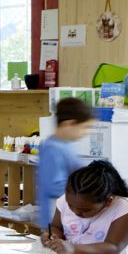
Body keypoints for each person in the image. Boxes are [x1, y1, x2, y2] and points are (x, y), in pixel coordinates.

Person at [42, 160, 128, 254]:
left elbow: (113, 247)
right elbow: (56, 226)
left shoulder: (125, 210)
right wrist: (52, 236)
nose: (75, 212)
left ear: (108, 201)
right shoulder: (66, 200)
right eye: (70, 206)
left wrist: (74, 249)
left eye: (85, 210)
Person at [36, 98, 95, 231]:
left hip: (68, 217)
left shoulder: (67, 144)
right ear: (69, 124)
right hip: (55, 218)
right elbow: (53, 186)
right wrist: (88, 189)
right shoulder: (52, 148)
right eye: (85, 127)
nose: (87, 132)